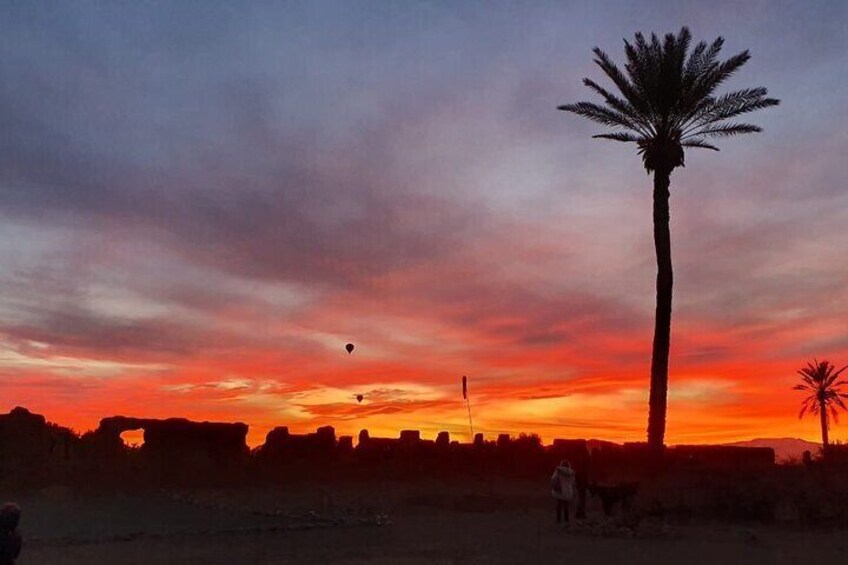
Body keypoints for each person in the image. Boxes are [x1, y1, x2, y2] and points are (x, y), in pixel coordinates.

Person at [550, 460, 575, 524]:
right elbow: (573, 482)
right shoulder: (571, 472)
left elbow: (553, 479)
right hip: (567, 491)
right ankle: (566, 519)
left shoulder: (558, 471)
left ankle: (558, 519)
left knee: (559, 505)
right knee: (566, 505)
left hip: (560, 490)